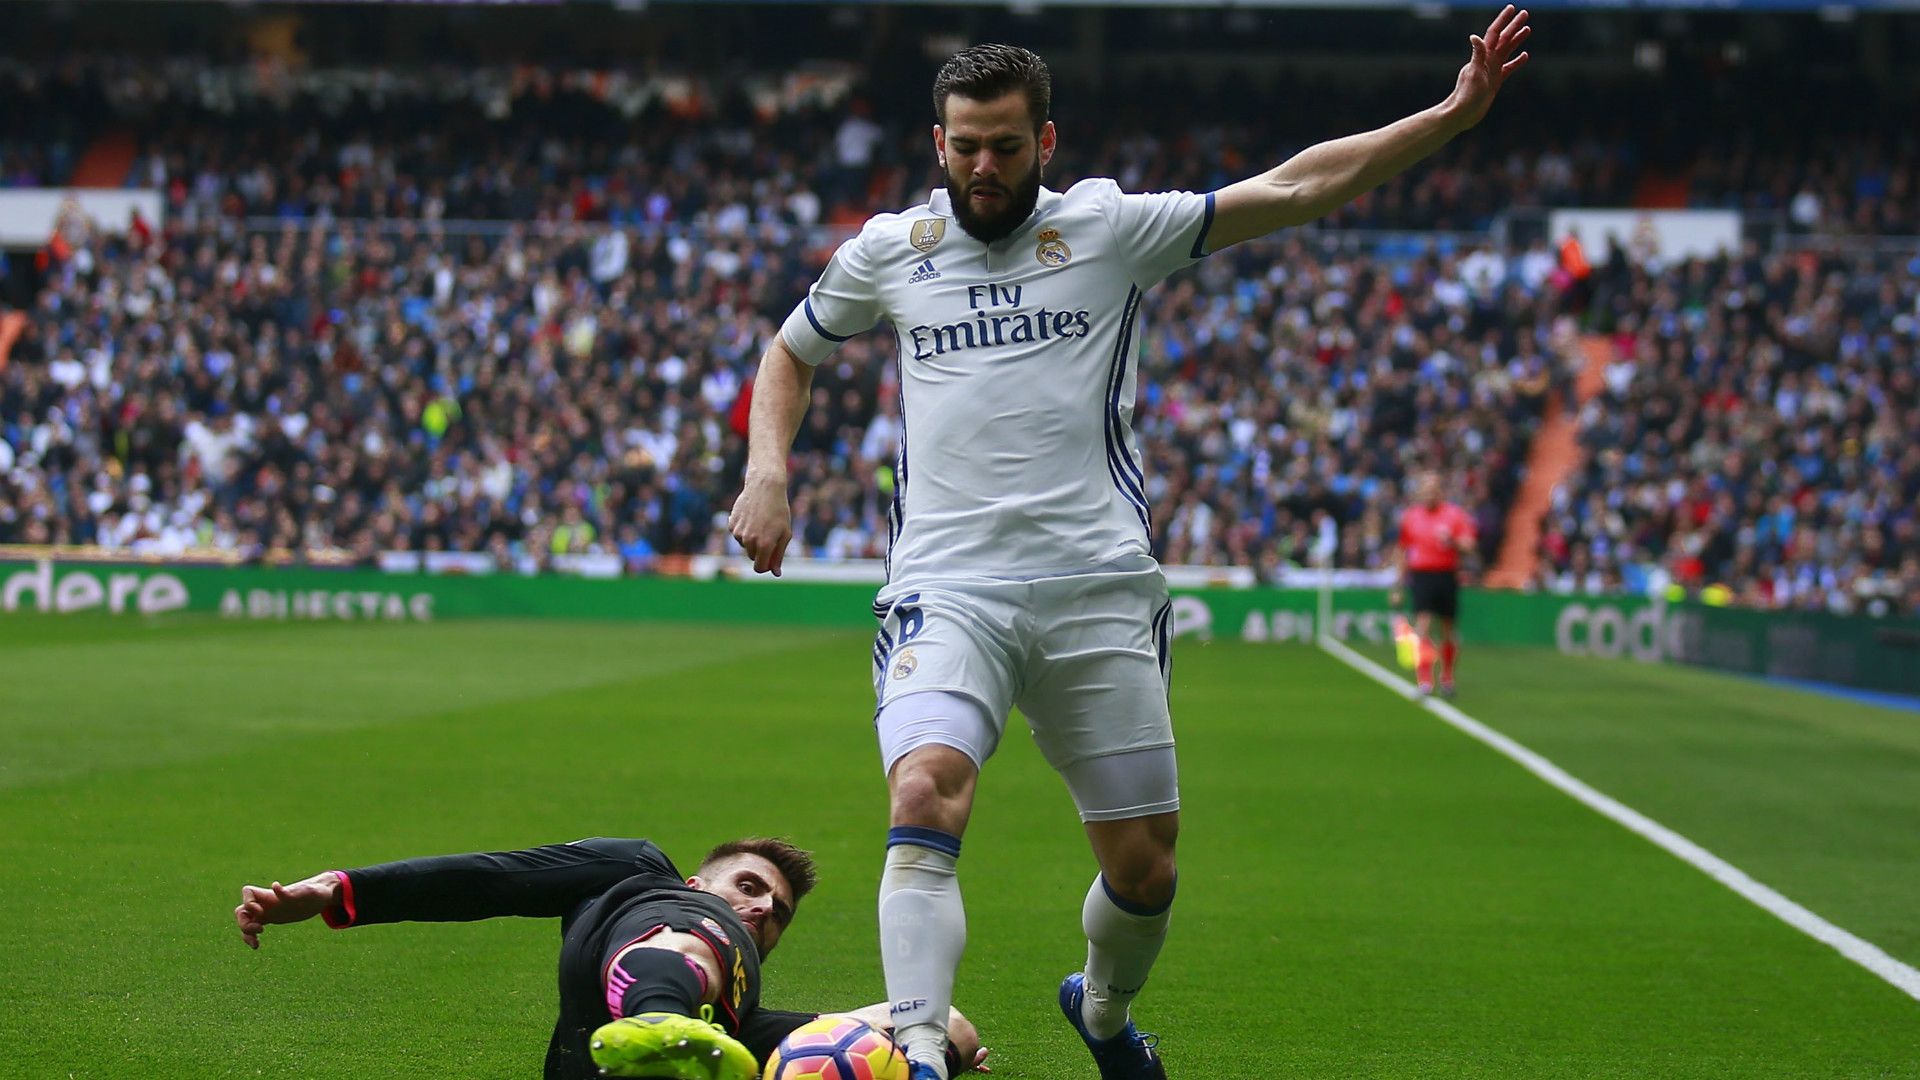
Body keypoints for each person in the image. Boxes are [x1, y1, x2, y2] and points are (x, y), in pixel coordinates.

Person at [728, 11, 1531, 1079]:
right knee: (923, 792)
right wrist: (767, 473)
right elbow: (789, 355)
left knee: (1146, 869)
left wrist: (1448, 115)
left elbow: (1292, 189)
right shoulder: (890, 251)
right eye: (964, 145)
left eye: (1006, 146)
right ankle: (916, 1051)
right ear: (937, 144)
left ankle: (1102, 1010)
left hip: (1097, 587)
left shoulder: (1110, 230)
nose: (983, 165)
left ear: (1046, 143)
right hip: (946, 586)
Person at [233, 836, 987, 1080]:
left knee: (942, 1026)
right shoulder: (650, 877)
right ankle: (659, 1023)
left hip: (717, 1022)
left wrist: (935, 1053)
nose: (761, 909)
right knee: (691, 946)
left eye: (776, 915)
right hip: (655, 955)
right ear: (705, 881)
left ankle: (671, 1032)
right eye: (750, 887)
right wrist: (338, 891)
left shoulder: (744, 1012)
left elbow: (940, 1024)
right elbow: (491, 878)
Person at [1390, 471, 1479, 696]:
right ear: (1420, 492)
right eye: (1425, 489)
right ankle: (1425, 680)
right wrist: (1398, 584)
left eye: (1433, 489)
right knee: (1423, 625)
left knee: (1447, 630)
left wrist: (1452, 541)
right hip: (1421, 576)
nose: (1429, 493)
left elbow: (1469, 545)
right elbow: (1402, 550)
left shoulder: (1454, 515)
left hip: (1446, 574)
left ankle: (1447, 676)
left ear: (1440, 491)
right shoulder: (1411, 517)